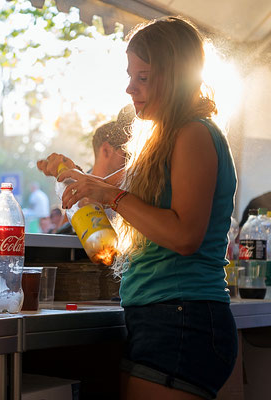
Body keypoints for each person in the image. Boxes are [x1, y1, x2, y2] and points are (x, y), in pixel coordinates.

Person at [38, 17, 237, 400]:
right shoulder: (164, 142)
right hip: (163, 319)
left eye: (143, 77)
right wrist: (69, 173)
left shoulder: (194, 134)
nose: (130, 88)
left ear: (175, 76)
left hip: (183, 321)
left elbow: (183, 237)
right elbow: (103, 187)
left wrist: (107, 195)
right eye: (131, 76)